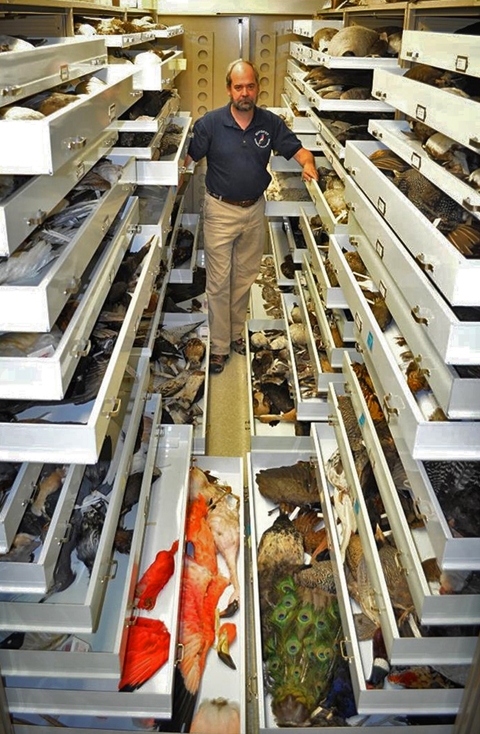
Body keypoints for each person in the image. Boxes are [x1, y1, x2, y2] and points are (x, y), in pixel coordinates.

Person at [183, 58, 319, 374]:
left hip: (254, 210)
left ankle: (234, 335)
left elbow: (297, 150)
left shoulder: (270, 123)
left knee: (243, 278)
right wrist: (174, 181)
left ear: (257, 88)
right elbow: (189, 158)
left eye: (250, 86)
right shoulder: (211, 124)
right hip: (220, 210)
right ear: (229, 89)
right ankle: (218, 347)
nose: (245, 93)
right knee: (218, 282)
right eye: (238, 86)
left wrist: (308, 163)